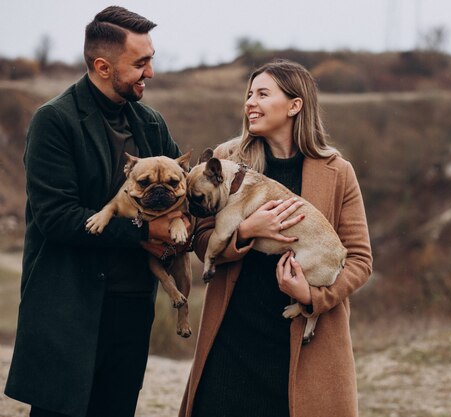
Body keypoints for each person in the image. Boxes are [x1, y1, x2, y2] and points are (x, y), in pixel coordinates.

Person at [4, 6, 188, 417]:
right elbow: (56, 218)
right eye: (141, 63)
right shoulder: (54, 121)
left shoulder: (152, 124)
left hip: (132, 308)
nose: (151, 72)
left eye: (151, 59)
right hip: (68, 307)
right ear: (103, 66)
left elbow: (185, 192)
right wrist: (145, 229)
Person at [179, 59, 373, 417]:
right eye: (249, 94)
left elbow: (360, 260)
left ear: (295, 105)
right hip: (231, 338)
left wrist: (313, 295)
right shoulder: (225, 160)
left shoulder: (337, 171)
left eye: (263, 94)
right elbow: (199, 237)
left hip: (302, 346)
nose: (250, 102)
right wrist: (246, 232)